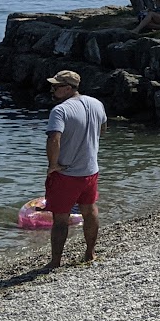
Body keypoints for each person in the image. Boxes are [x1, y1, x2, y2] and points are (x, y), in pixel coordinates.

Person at [42, 70, 106, 269]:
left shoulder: (60, 111)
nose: (52, 90)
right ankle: (90, 253)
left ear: (68, 88)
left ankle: (55, 262)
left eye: (56, 86)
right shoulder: (97, 104)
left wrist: (53, 165)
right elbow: (103, 129)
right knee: (90, 211)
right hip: (90, 171)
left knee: (60, 218)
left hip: (67, 173)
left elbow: (54, 138)